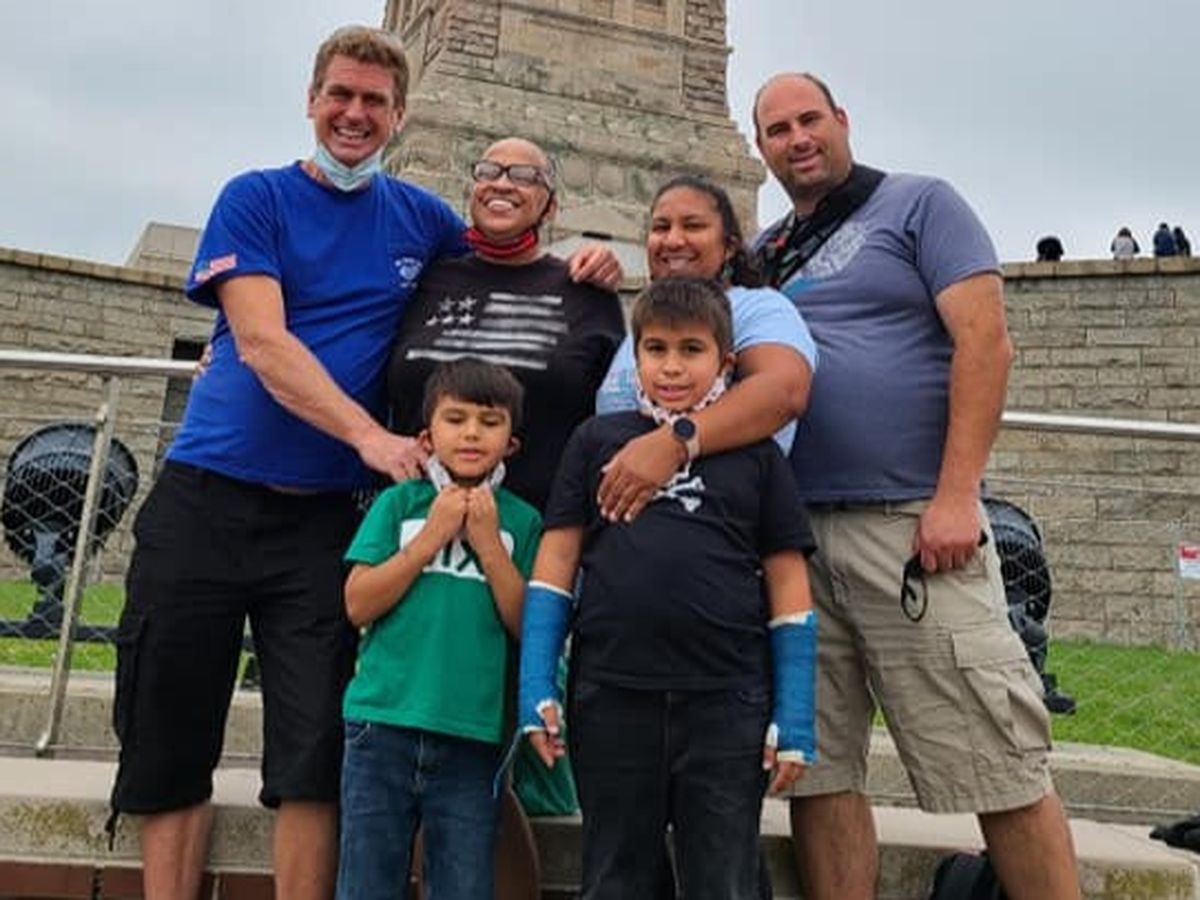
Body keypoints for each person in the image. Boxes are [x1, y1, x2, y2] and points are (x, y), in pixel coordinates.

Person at [108, 26, 617, 900]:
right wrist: (370, 439)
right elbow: (263, 342)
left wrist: (587, 255)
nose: (354, 114)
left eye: (374, 102)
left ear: (399, 116)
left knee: (313, 753)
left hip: (325, 521)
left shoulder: (422, 220)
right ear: (312, 101)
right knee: (170, 735)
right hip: (206, 499)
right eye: (339, 95)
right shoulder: (254, 197)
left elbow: (501, 248)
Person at [751, 72, 1082, 900]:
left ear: (842, 120)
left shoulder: (920, 204)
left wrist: (957, 495)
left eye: (810, 119)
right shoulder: (763, 253)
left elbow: (986, 343)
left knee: (998, 759)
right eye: (778, 130)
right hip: (793, 540)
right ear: (760, 149)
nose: (798, 139)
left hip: (910, 527)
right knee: (818, 767)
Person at [519, 276, 818, 899]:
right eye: (656, 349)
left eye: (691, 349)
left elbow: (788, 580)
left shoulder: (758, 455)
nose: (673, 366)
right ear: (635, 358)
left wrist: (793, 713)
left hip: (727, 701)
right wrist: (535, 685)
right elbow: (557, 559)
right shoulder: (595, 441)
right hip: (612, 695)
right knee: (614, 876)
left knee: (723, 879)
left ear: (726, 363)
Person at [387, 136, 624, 898]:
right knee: (416, 734)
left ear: (550, 202)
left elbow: (620, 407)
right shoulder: (428, 276)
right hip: (415, 536)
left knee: (492, 755)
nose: (503, 183)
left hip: (533, 542)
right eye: (489, 170)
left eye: (525, 176)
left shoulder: (585, 289)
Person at [337, 358, 540, 900]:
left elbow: (528, 625)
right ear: (427, 438)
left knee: (463, 884)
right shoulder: (397, 504)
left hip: (473, 736)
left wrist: (489, 545)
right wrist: (431, 537)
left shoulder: (523, 521)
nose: (472, 433)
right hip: (382, 724)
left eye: (489, 422)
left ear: (511, 444)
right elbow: (357, 603)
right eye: (456, 419)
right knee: (365, 882)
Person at [594, 174, 818, 520]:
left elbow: (784, 390)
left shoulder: (757, 307)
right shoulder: (640, 327)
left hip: (715, 529)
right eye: (661, 227)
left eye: (693, 226)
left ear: (729, 246)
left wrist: (675, 443)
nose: (673, 240)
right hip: (617, 535)